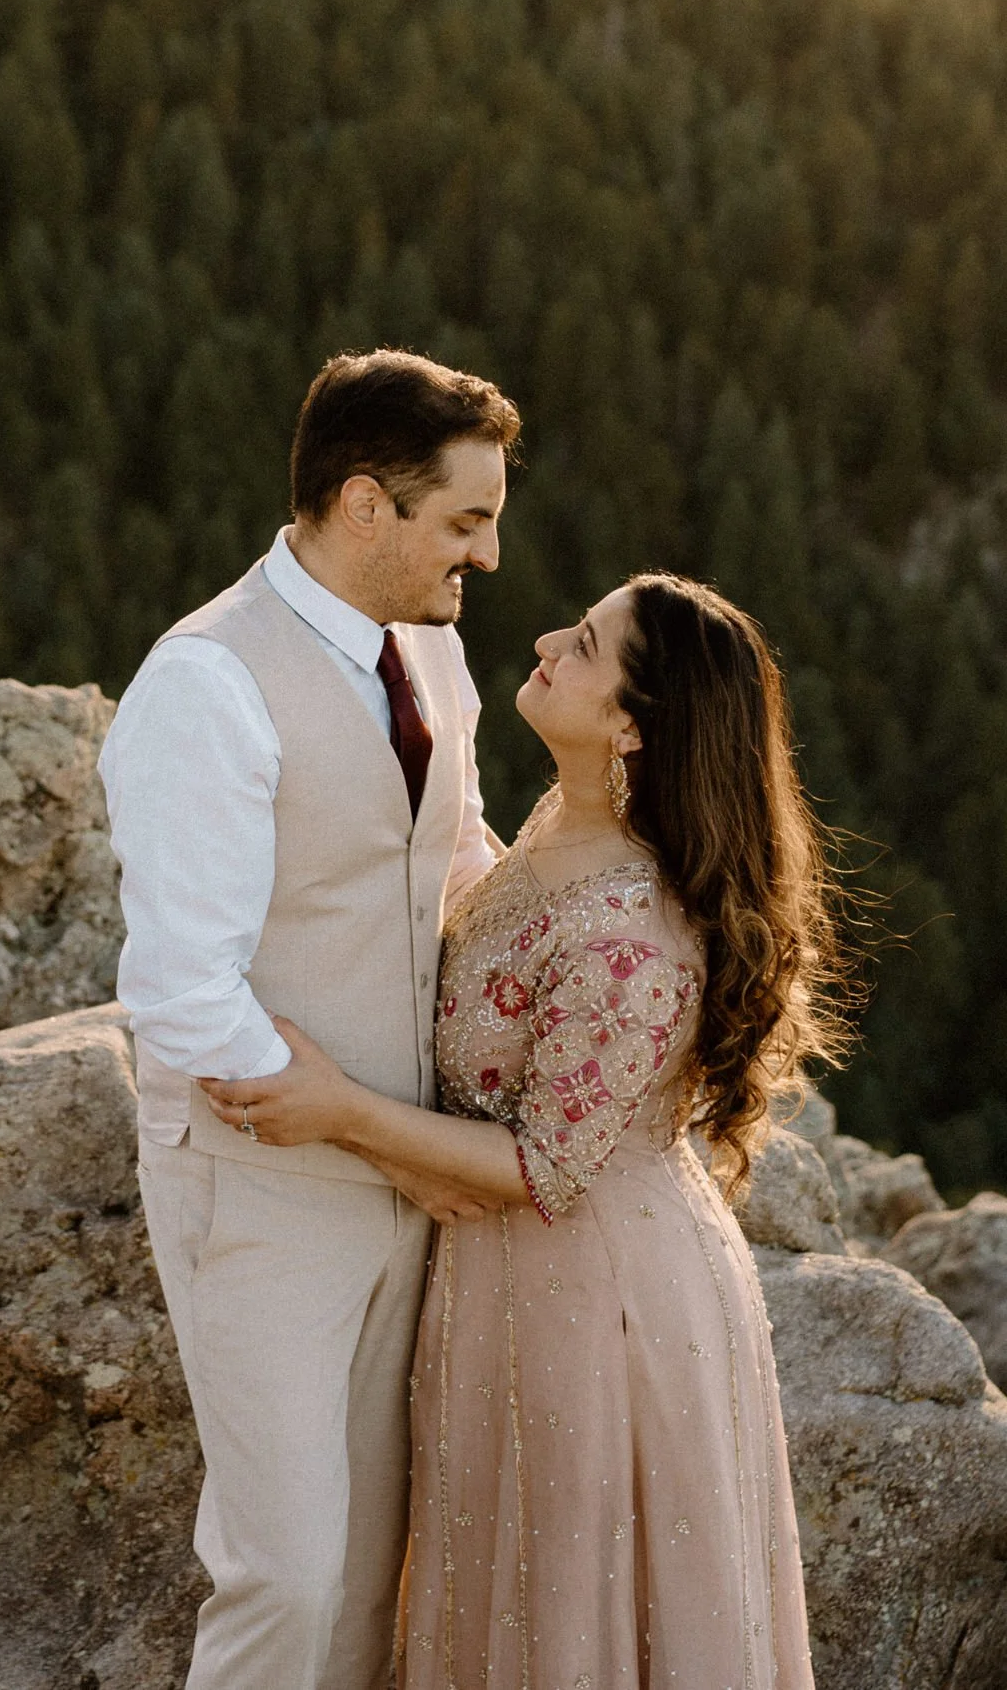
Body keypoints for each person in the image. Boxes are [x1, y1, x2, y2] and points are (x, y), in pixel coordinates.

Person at [204, 570, 850, 1689]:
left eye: (587, 646)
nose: (550, 638)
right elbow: (483, 901)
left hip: (600, 1305)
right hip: (510, 1286)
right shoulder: (569, 824)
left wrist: (343, 1114)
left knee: (566, 1616)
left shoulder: (633, 932)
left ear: (633, 729)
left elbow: (547, 1163)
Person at [100, 348, 521, 1690]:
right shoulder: (208, 684)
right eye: (465, 521)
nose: (490, 556)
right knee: (283, 1572)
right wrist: (386, 1142)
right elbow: (180, 991)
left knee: (372, 1579)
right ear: (362, 505)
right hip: (262, 1190)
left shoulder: (434, 664)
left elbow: (450, 865)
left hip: (407, 1184)